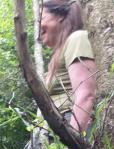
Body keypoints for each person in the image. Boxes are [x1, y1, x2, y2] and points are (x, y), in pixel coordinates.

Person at [40, 0, 96, 134]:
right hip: (55, 128)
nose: (37, 26)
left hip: (69, 122)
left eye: (42, 18)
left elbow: (86, 95)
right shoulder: (59, 54)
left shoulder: (78, 38)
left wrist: (73, 141)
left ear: (60, 16)